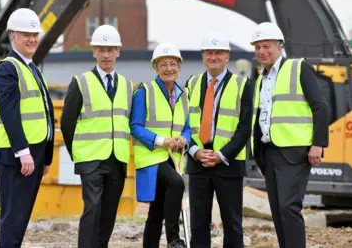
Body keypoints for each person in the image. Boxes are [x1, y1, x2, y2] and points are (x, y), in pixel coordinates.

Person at [250, 22, 330, 248]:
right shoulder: (260, 80)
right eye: (257, 47)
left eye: (266, 46)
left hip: (295, 151)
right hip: (270, 152)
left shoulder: (298, 67)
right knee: (277, 211)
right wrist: (259, 156)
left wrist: (318, 144)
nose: (262, 52)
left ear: (280, 46)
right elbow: (260, 118)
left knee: (288, 207)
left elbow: (320, 107)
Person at [60, 24, 134, 248]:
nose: (106, 55)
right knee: (92, 208)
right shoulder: (80, 83)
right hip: (90, 160)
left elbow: (129, 122)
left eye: (110, 50)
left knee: (109, 212)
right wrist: (79, 155)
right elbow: (66, 124)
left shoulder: (128, 86)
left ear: (118, 52)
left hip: (117, 160)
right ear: (94, 52)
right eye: (101, 50)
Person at [0, 8, 55, 248]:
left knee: (20, 218)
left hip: (32, 155)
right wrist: (23, 152)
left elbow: (45, 114)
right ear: (12, 36)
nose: (31, 39)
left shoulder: (32, 68)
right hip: (15, 155)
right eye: (25, 34)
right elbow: (9, 114)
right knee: (13, 220)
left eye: (34, 34)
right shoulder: (8, 68)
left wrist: (45, 156)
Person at [185, 30, 254, 248]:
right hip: (198, 163)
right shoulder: (192, 84)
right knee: (198, 223)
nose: (213, 57)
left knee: (232, 223)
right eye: (208, 52)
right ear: (203, 56)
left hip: (228, 164)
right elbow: (183, 125)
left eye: (218, 53)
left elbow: (244, 128)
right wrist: (195, 151)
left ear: (227, 56)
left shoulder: (244, 85)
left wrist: (221, 155)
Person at [130, 42, 191, 248]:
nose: (168, 69)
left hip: (172, 159)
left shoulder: (183, 95)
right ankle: (173, 238)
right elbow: (135, 127)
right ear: (155, 68)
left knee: (155, 212)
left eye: (173, 64)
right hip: (151, 157)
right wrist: (162, 141)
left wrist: (184, 139)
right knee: (177, 183)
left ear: (179, 67)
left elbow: (188, 127)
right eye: (163, 64)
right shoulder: (144, 92)